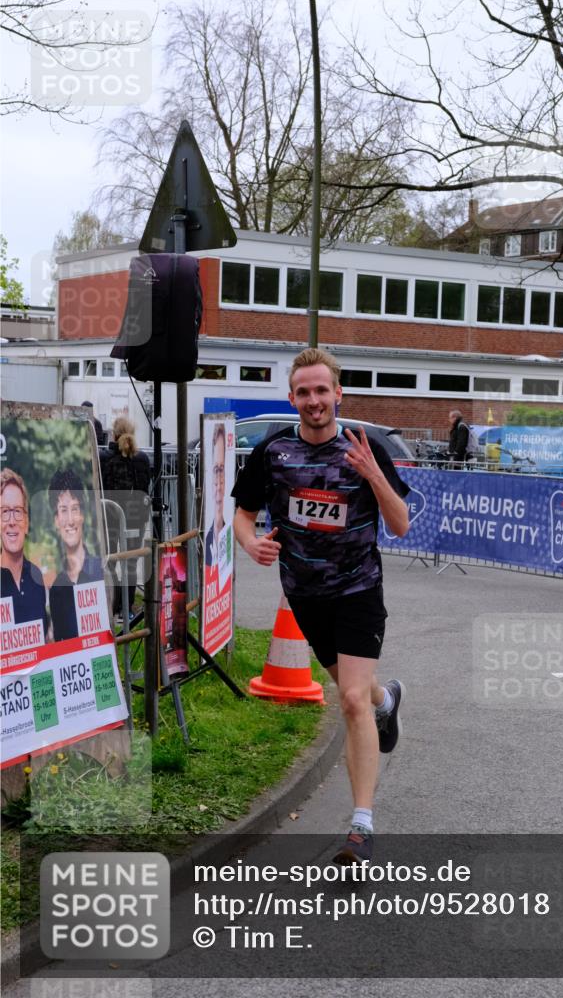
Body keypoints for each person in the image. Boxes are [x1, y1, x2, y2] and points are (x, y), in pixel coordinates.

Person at [232, 347, 410, 864]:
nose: (314, 401)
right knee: (359, 693)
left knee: (349, 700)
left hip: (358, 590)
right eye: (303, 392)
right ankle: (387, 702)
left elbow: (400, 524)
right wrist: (250, 542)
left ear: (338, 393)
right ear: (292, 398)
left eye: (321, 390)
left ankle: (360, 826)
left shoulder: (365, 446)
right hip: (306, 596)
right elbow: (244, 516)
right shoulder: (272, 453)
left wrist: (372, 474)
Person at [48, 468, 104, 642]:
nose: (70, 520)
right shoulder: (56, 587)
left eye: (75, 509)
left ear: (83, 515)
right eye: (64, 510)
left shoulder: (101, 571)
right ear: (56, 520)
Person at [102, 417, 151, 616]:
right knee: (130, 562)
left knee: (110, 560)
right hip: (135, 517)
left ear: (114, 434)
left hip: (110, 517)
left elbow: (101, 487)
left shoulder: (105, 457)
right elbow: (144, 487)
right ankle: (126, 606)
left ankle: (112, 605)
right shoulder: (142, 459)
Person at [0, 468, 49, 640]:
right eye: (5, 512)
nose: (12, 521)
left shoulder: (36, 575)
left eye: (18, 511)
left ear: (27, 523)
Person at [205, 422, 232, 576]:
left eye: (222, 470)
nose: (219, 482)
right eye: (216, 470)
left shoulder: (228, 532)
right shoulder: (206, 539)